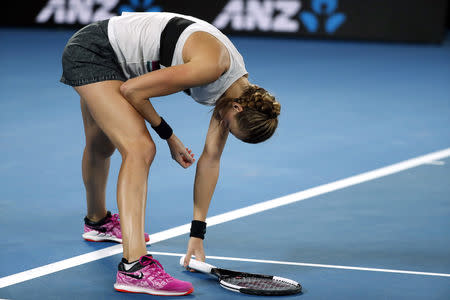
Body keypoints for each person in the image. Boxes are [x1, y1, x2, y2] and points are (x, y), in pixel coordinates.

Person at [60, 12, 280, 296]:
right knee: (140, 148)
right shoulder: (213, 68)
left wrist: (196, 236)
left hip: (112, 55)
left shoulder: (236, 95)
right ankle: (134, 268)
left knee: (102, 145)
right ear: (237, 109)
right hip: (94, 51)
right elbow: (133, 91)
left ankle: (98, 222)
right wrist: (169, 136)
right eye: (227, 125)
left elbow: (210, 160)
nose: (221, 126)